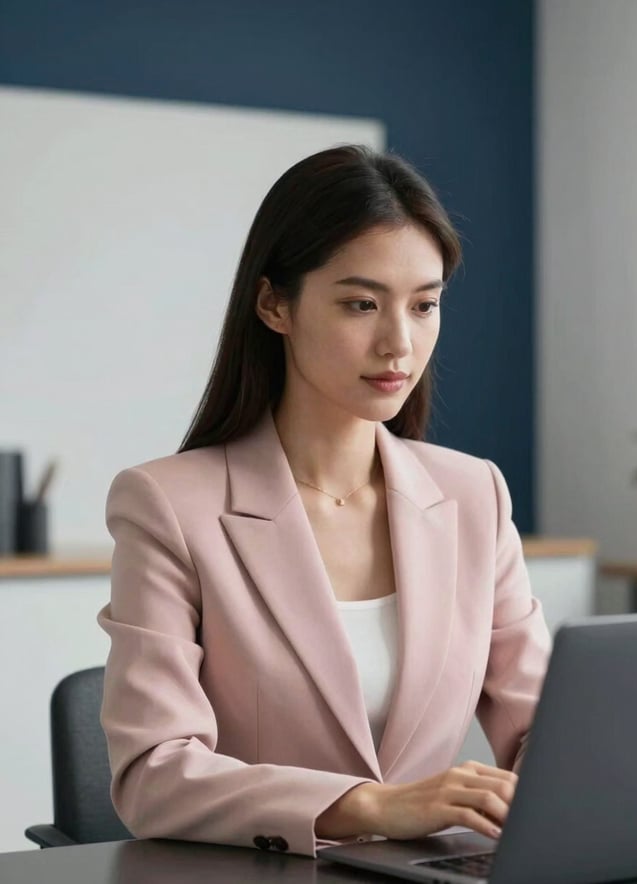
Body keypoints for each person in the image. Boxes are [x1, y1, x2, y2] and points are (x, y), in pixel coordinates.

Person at [98, 144, 551, 859]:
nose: (398, 343)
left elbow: (545, 730)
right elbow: (153, 773)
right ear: (275, 304)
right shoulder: (167, 505)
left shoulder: (473, 494)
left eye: (425, 305)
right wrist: (370, 805)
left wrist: (556, 793)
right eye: (360, 304)